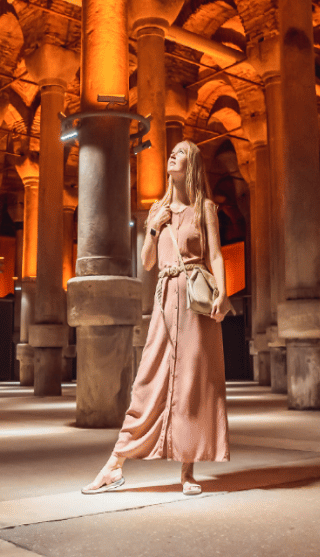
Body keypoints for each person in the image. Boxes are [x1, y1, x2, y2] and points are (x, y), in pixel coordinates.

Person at [81, 140, 232, 496]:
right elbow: (148, 262)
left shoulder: (204, 208)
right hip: (165, 302)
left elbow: (217, 256)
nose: (172, 155)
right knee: (149, 381)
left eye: (180, 152)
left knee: (193, 384)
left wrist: (223, 293)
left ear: (192, 164)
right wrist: (153, 228)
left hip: (196, 305)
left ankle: (188, 471)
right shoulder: (157, 209)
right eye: (172, 152)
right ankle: (114, 464)